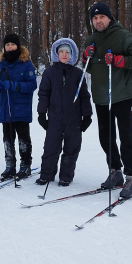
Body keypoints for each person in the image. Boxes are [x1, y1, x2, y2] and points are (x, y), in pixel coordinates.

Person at [82, 2, 132, 198]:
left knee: (125, 136)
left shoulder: (123, 36)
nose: (98, 21)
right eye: (94, 18)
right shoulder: (91, 40)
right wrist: (87, 58)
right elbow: (91, 69)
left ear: (109, 18)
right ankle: (115, 171)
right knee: (106, 137)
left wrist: (121, 61)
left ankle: (131, 176)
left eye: (101, 17)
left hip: (122, 95)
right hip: (101, 96)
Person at [35, 38, 93, 187]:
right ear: (56, 53)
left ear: (72, 54)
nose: (64, 55)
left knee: (71, 149)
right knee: (51, 147)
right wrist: (42, 114)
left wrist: (87, 115)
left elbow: (85, 96)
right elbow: (44, 94)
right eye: (61, 51)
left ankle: (66, 176)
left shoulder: (78, 73)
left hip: (74, 119)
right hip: (55, 117)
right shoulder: (49, 73)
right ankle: (46, 175)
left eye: (68, 52)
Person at [0, 33, 37, 180]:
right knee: (7, 138)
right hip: (5, 107)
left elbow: (32, 85)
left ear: (18, 46)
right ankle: (10, 165)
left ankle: (25, 165)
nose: (10, 47)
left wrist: (14, 85)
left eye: (12, 45)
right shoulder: (0, 65)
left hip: (21, 107)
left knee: (23, 138)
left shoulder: (26, 64)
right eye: (7, 45)